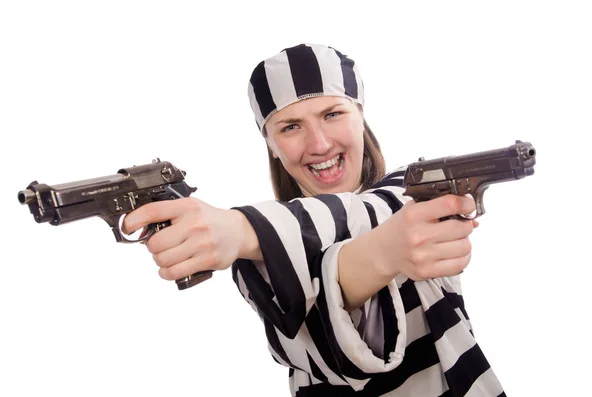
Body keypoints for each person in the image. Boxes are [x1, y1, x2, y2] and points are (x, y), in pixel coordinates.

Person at [123, 43, 506, 396]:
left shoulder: (409, 194)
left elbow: (372, 213)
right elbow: (324, 348)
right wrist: (383, 253)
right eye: (291, 127)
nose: (319, 144)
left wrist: (246, 228)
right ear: (271, 146)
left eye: (333, 114)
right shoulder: (256, 264)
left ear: (361, 118)